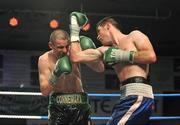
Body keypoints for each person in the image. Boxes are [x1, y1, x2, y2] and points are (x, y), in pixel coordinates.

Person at [69, 12, 157, 125]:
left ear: (108, 26)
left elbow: (151, 56)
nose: (97, 36)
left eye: (99, 31)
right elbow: (75, 57)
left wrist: (121, 55)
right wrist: (75, 30)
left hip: (138, 95)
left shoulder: (134, 36)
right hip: (127, 96)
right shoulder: (105, 50)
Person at [38, 29, 104, 125]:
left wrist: (92, 52)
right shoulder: (44, 60)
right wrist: (55, 75)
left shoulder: (74, 53)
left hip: (80, 103)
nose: (65, 50)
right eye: (60, 47)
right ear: (51, 45)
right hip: (58, 106)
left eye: (67, 46)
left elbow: (100, 68)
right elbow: (44, 92)